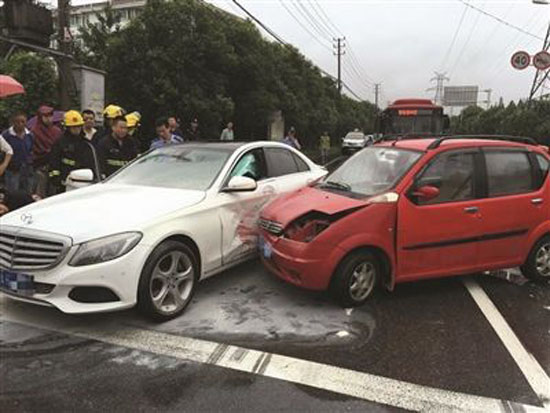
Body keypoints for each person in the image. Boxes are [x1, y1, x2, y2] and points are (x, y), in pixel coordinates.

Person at [49, 110, 99, 194]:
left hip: (84, 183)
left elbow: (93, 164)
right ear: (67, 127)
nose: (77, 129)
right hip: (65, 184)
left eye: (78, 126)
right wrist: (57, 179)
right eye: (73, 127)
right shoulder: (60, 143)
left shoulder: (87, 144)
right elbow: (54, 162)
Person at [31, 105, 62, 197]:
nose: (48, 119)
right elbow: (34, 148)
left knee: (53, 191)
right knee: (40, 191)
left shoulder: (57, 131)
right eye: (45, 116)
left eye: (50, 116)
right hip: (40, 166)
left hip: (54, 165)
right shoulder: (34, 131)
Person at [2, 111, 34, 193]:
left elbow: (31, 149)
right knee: (13, 192)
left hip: (27, 168)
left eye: (23, 121)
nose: (20, 124)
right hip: (13, 169)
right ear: (13, 122)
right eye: (17, 122)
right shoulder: (6, 135)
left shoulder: (30, 135)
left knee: (28, 191)